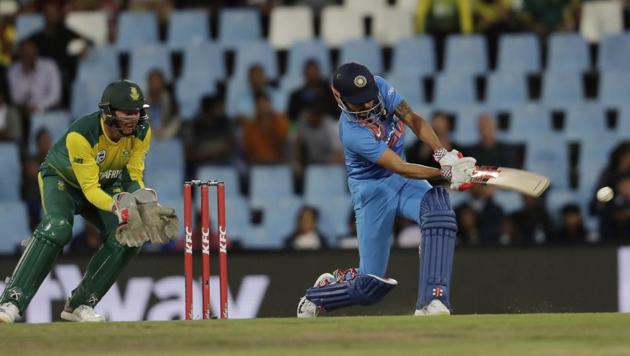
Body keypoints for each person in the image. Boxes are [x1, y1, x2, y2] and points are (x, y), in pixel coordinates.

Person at [296, 62, 477, 318]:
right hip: (373, 193)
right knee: (369, 286)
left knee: (439, 212)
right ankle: (321, 293)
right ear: (341, 100)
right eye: (360, 102)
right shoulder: (351, 132)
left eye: (369, 98)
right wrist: (445, 173)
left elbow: (413, 119)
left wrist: (443, 155)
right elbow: (400, 166)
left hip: (403, 182)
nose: (369, 105)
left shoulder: (379, 86)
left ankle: (432, 302)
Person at [0, 80, 178, 323]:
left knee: (129, 235)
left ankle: (80, 304)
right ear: (108, 112)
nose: (134, 118)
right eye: (127, 112)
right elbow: (89, 189)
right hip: (63, 181)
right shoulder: (81, 135)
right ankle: (11, 300)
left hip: (105, 182)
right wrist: (119, 207)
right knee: (59, 228)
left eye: (137, 111)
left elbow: (134, 176)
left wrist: (144, 203)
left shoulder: (142, 131)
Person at [242, 92, 289, 165]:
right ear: (256, 106)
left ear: (270, 104)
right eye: (260, 103)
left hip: (279, 162)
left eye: (265, 103)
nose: (263, 106)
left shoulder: (280, 119)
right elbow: (248, 148)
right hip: (258, 164)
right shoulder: (250, 125)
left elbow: (284, 139)